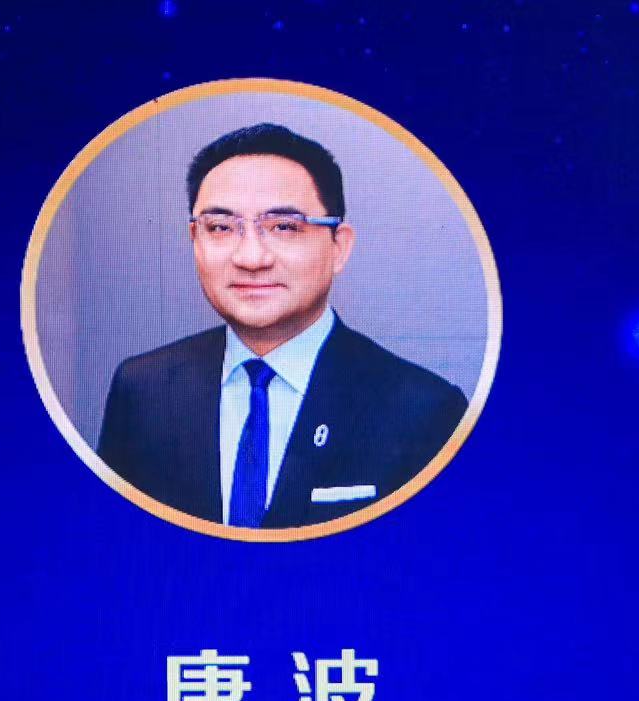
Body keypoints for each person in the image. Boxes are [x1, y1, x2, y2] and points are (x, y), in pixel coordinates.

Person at [98, 123, 467, 529]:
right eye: (220, 228)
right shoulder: (144, 389)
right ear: (194, 239)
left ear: (339, 247)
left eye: (284, 227)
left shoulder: (422, 408)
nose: (251, 258)